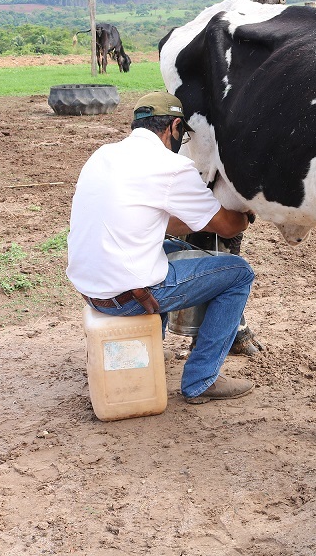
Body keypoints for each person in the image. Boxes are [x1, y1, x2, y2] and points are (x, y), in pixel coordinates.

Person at [66, 92, 256, 404]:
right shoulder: (171, 166)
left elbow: (159, 223)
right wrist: (245, 215)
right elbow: (226, 226)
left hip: (91, 289)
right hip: (126, 298)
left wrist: (203, 221)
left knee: (170, 246)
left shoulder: (103, 155)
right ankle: (202, 379)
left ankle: (152, 349)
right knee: (239, 273)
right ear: (175, 127)